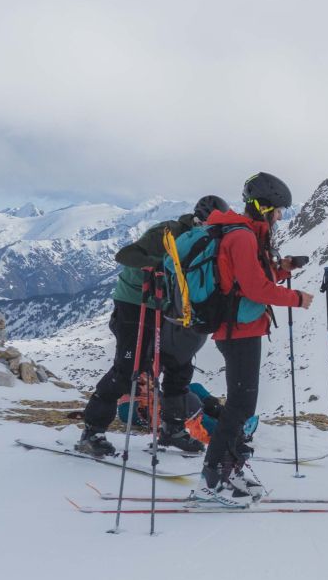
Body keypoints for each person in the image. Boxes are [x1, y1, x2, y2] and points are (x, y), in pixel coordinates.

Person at [190, 174, 314, 507]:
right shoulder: (242, 238)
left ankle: (229, 470)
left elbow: (255, 279)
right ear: (263, 207)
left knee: (241, 406)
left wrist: (284, 270)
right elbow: (255, 289)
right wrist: (296, 298)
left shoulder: (246, 235)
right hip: (238, 331)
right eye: (278, 211)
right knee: (240, 406)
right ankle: (211, 478)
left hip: (244, 328)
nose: (279, 218)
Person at [76, 194, 229, 457]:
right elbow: (127, 255)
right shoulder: (168, 232)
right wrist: (161, 265)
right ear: (198, 219)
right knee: (127, 370)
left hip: (168, 305)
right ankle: (92, 431)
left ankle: (172, 429)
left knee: (178, 365)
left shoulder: (210, 240)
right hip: (135, 302)